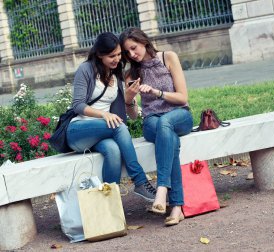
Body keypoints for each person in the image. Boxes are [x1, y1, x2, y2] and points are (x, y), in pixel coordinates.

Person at [66, 32, 156, 202]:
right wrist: (103, 114)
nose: (116, 59)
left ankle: (110, 204)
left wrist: (130, 98)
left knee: (113, 151)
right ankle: (140, 181)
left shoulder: (116, 73)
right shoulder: (86, 69)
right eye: (111, 56)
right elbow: (77, 105)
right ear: (99, 55)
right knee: (118, 125)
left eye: (118, 54)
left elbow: (133, 116)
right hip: (79, 131)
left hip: (104, 132)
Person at [119, 27, 193, 226]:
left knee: (166, 123)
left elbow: (183, 97)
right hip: (152, 122)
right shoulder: (131, 74)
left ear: (143, 41)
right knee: (166, 134)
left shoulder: (168, 57)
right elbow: (134, 116)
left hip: (179, 115)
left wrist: (156, 92)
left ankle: (162, 190)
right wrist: (128, 99)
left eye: (134, 48)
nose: (132, 54)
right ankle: (176, 207)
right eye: (127, 53)